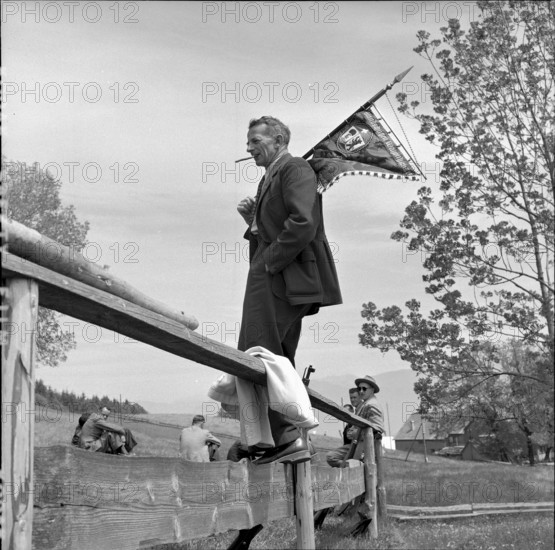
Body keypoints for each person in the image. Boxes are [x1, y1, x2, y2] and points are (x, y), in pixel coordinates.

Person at [236, 116, 342, 465]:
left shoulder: (295, 168)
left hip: (278, 275)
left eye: (255, 140)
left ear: (278, 139)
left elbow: (302, 223)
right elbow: (277, 227)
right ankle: (275, 439)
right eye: (248, 142)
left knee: (259, 351)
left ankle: (284, 438)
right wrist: (253, 221)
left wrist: (269, 263)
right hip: (274, 273)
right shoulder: (271, 176)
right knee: (274, 352)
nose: (249, 148)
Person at [326, 376, 384, 468]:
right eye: (359, 388)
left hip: (366, 448)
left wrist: (356, 433)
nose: (361, 391)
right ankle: (347, 468)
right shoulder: (365, 404)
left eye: (364, 389)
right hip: (359, 445)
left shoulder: (372, 405)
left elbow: (377, 430)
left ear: (372, 389)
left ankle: (347, 468)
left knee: (360, 472)